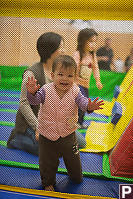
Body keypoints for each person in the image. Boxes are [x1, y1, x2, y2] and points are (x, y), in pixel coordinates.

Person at [26, 55, 104, 191]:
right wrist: (32, 93)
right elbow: (35, 101)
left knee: (74, 162)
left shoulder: (75, 91)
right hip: (47, 135)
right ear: (52, 75)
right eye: (60, 74)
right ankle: (48, 182)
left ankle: (75, 176)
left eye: (69, 76)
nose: (64, 79)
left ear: (74, 78)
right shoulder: (45, 90)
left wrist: (89, 106)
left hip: (68, 134)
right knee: (47, 162)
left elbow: (82, 102)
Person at [7, 32, 86, 155]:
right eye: (61, 47)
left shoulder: (59, 71)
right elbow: (24, 104)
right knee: (49, 151)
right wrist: (37, 127)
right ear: (50, 51)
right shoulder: (32, 74)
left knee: (81, 143)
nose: (64, 50)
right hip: (31, 123)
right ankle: (17, 139)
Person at [73, 28, 103, 127]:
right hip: (77, 84)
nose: (93, 44)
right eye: (90, 41)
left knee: (85, 104)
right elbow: (73, 69)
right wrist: (74, 84)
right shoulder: (78, 54)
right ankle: (75, 122)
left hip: (86, 85)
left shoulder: (92, 55)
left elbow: (95, 68)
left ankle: (80, 122)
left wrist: (98, 80)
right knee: (80, 103)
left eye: (95, 42)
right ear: (82, 41)